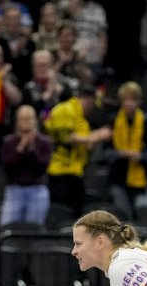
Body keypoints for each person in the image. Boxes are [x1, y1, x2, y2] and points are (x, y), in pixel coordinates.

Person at [43, 84, 111, 217]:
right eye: (93, 105)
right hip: (60, 174)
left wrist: (97, 137)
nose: (93, 109)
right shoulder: (65, 109)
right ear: (89, 100)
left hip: (75, 174)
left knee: (76, 215)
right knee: (61, 213)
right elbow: (65, 137)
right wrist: (94, 136)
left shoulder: (83, 121)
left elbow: (85, 145)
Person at [105, 82, 147, 222]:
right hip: (118, 177)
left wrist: (140, 156)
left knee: (144, 214)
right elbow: (107, 152)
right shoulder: (113, 120)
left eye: (133, 99)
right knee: (121, 217)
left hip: (142, 178)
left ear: (138, 101)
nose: (129, 103)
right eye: (126, 99)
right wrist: (120, 153)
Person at [0, 105, 53, 227]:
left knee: (34, 230)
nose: (26, 122)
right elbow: (7, 168)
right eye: (23, 118)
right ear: (17, 121)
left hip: (37, 190)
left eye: (29, 118)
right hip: (14, 190)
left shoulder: (44, 142)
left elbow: (43, 167)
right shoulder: (9, 142)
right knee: (7, 227)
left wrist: (32, 150)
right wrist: (20, 150)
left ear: (35, 120)